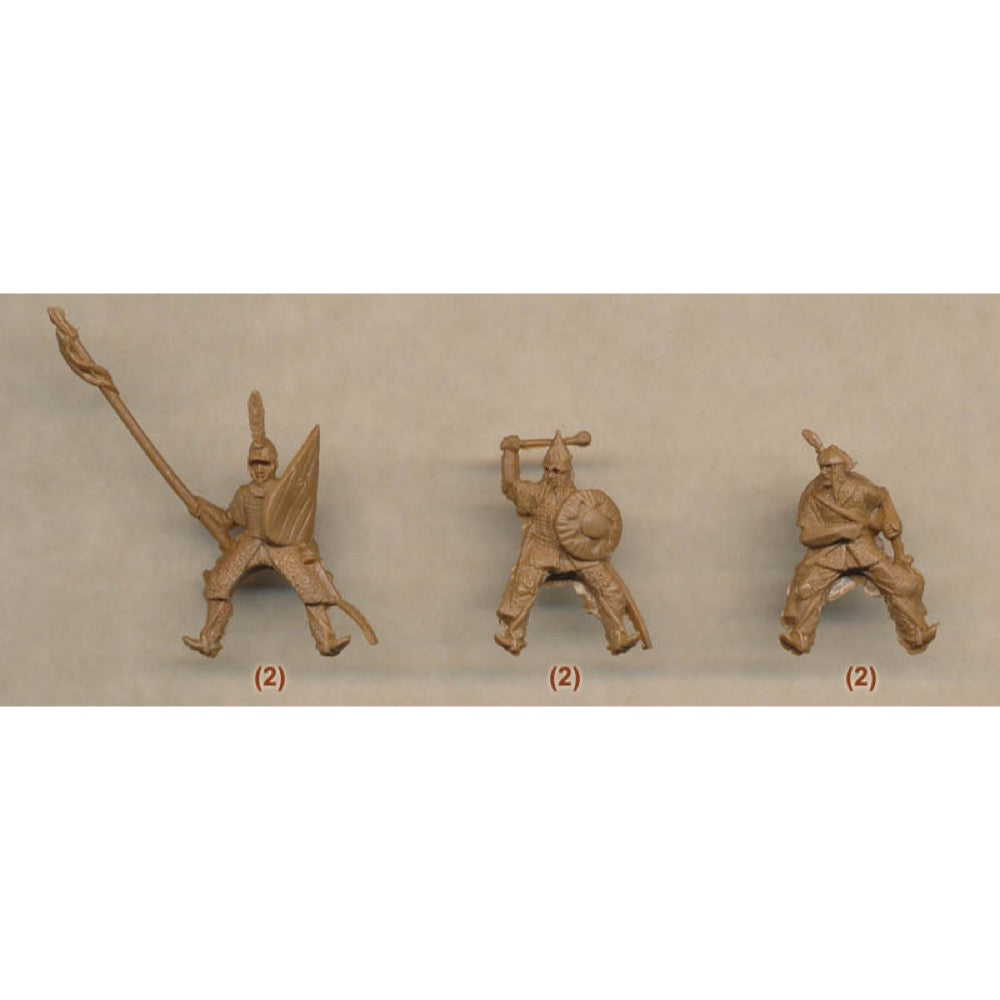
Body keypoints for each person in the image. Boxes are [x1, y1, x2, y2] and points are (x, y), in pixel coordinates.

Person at [182, 391, 352, 657]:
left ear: (273, 464)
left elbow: (297, 522)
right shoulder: (244, 493)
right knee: (218, 583)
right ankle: (210, 641)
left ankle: (326, 641)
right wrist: (202, 506)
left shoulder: (282, 491)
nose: (260, 469)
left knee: (311, 588)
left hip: (280, 545)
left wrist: (306, 549)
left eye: (264, 464)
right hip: (250, 543)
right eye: (255, 464)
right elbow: (227, 520)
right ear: (249, 466)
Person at [780, 431, 937, 655]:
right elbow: (806, 537)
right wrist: (839, 531)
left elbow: (883, 496)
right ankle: (801, 637)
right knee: (805, 588)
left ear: (842, 468)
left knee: (902, 583)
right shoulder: (813, 494)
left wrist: (892, 527)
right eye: (822, 468)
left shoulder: (861, 488)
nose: (824, 473)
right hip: (827, 554)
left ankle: (915, 633)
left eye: (829, 468)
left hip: (864, 550)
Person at [495, 430, 647, 655]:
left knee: (608, 587)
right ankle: (514, 637)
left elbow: (599, 526)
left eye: (557, 471)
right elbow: (510, 485)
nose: (551, 475)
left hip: (576, 553)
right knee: (523, 587)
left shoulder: (581, 501)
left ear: (568, 472)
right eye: (547, 470)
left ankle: (618, 635)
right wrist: (510, 454)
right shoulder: (535, 494)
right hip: (542, 549)